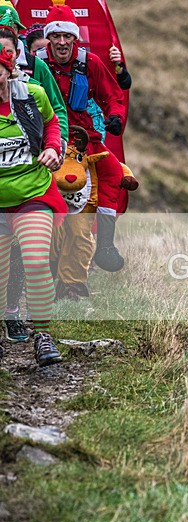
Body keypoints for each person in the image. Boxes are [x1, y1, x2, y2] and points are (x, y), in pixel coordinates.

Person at [37, 5, 126, 272]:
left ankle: (106, 245)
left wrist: (116, 117)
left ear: (75, 37)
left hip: (85, 139)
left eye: (67, 36)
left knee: (113, 173)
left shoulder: (91, 62)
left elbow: (113, 96)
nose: (62, 42)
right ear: (48, 38)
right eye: (56, 36)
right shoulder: (37, 63)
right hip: (47, 139)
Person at [0, 14, 68, 337]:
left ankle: (41, 334)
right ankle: (8, 317)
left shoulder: (33, 87)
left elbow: (54, 116)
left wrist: (55, 148)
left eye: (7, 53)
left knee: (35, 259)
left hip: (32, 191)